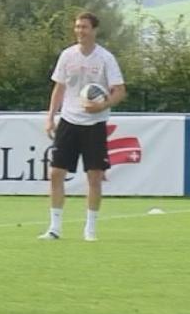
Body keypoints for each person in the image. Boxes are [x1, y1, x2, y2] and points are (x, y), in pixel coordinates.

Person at [38, 12, 126, 242]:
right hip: (68, 121)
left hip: (94, 124)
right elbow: (59, 88)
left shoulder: (105, 58)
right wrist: (50, 117)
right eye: (77, 27)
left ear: (94, 30)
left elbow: (120, 91)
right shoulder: (67, 56)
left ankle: (90, 229)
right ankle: (54, 227)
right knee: (56, 174)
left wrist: (102, 105)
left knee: (94, 176)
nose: (80, 31)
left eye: (84, 27)